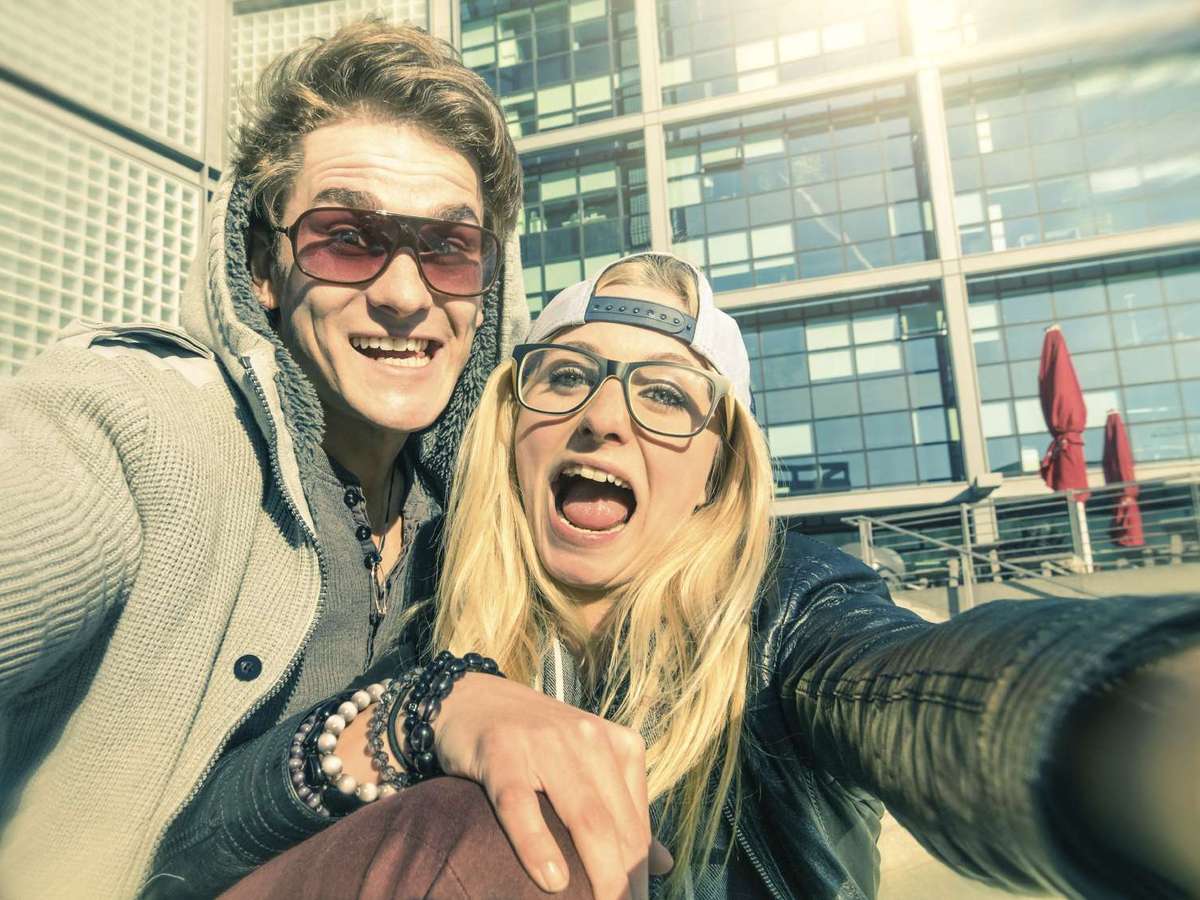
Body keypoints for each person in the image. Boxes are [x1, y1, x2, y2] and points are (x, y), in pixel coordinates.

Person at [221, 252, 1200, 899]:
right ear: (513, 430)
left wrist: (1127, 725)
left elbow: (918, 688)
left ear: (717, 472)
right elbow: (200, 848)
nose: (604, 419)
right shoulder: (428, 621)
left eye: (664, 396)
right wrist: (422, 715)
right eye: (566, 376)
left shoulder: (788, 615)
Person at [0, 19, 531, 898]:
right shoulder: (143, 424)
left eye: (448, 249)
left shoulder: (484, 521)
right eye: (347, 238)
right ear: (263, 266)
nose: (405, 294)